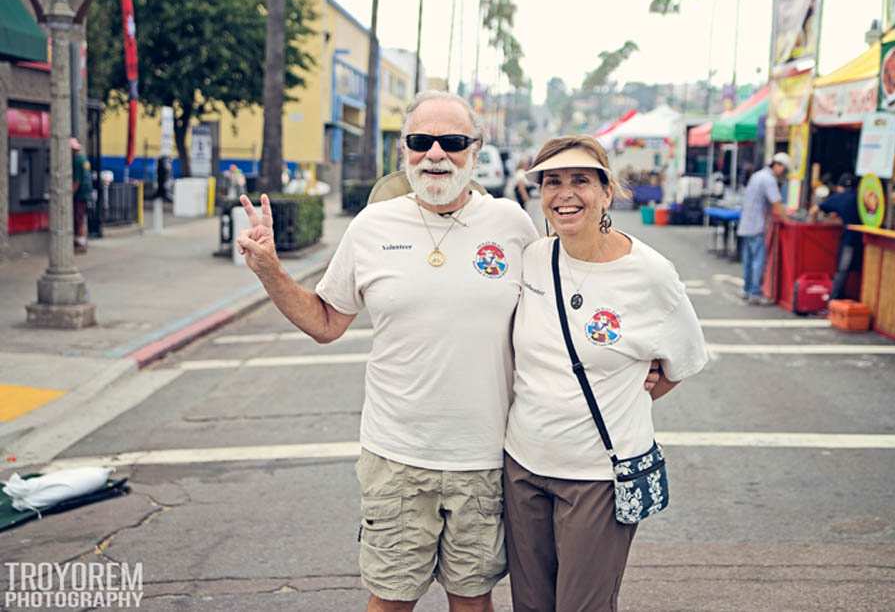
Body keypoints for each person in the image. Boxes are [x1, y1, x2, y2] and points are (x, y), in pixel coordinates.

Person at [236, 90, 536, 612]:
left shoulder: (511, 225)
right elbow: (326, 322)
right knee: (390, 601)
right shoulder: (372, 227)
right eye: (421, 142)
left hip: (484, 459)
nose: (436, 154)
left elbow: (550, 319)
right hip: (396, 457)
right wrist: (271, 271)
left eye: (452, 142)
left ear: (476, 150)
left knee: (473, 601)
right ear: (404, 151)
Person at [503, 135, 709, 611]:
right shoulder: (534, 258)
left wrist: (632, 395)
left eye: (581, 180)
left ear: (606, 191)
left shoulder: (651, 274)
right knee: (530, 606)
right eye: (552, 182)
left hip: (597, 475)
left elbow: (684, 360)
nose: (565, 193)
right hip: (523, 467)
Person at [737, 152, 790, 304]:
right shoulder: (769, 179)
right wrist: (788, 220)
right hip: (757, 225)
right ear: (778, 165)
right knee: (758, 261)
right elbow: (776, 203)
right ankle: (755, 292)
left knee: (748, 260)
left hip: (746, 224)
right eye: (783, 169)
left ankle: (747, 290)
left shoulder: (757, 175)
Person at [810, 173, 862, 300]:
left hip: (849, 240)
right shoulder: (861, 198)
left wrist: (813, 222)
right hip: (867, 241)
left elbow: (814, 210)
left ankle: (834, 300)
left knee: (842, 270)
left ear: (840, 187)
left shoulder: (839, 198)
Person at [71, 137, 92, 254]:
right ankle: (82, 241)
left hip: (80, 194)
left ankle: (80, 243)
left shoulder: (77, 161)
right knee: (82, 217)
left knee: (78, 218)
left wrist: (70, 194)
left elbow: (77, 181)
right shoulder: (84, 159)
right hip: (86, 192)